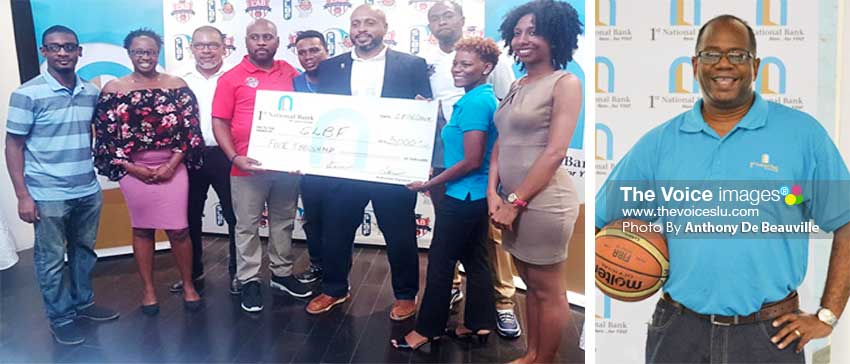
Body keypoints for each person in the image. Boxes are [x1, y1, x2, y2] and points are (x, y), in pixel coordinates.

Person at [595, 15, 850, 364]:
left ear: (756, 65)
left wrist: (827, 316)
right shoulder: (660, 143)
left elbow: (846, 220)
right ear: (695, 64)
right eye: (712, 54)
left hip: (769, 333)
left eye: (738, 55)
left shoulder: (802, 135)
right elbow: (604, 218)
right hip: (678, 331)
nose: (725, 64)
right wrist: (617, 266)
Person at [306, 4, 432, 319]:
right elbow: (323, 116)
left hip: (392, 165)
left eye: (370, 23)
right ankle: (334, 288)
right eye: (356, 23)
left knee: (399, 232)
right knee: (336, 231)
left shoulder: (412, 65)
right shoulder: (331, 67)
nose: (362, 28)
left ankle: (405, 294)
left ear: (385, 27)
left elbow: (424, 117)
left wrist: (421, 149)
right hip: (344, 166)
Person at [5, 25, 119, 345]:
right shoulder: (27, 94)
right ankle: (61, 317)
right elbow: (13, 145)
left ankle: (83, 304)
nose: (62, 53)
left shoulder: (91, 92)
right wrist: (22, 195)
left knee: (84, 253)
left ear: (79, 51)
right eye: (54, 47)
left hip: (86, 189)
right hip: (46, 194)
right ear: (44, 52)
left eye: (69, 47)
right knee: (50, 260)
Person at [391, 37, 501, 351]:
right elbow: (464, 155)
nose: (457, 69)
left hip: (463, 196)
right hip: (475, 195)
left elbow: (472, 159)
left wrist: (431, 183)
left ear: (487, 67)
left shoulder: (477, 102)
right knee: (476, 260)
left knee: (440, 262)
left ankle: (426, 330)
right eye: (456, 63)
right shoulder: (479, 97)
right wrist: (435, 174)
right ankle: (478, 325)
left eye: (466, 64)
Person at [421, 0, 521, 338]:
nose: (441, 21)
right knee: (459, 239)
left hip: (476, 168)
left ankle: (503, 302)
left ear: (463, 20)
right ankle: (459, 296)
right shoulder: (429, 62)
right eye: (434, 17)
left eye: (448, 15)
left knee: (488, 240)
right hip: (444, 156)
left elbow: (508, 112)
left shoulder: (493, 68)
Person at [489, 1, 582, 363]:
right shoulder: (518, 83)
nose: (523, 39)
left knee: (549, 291)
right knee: (530, 285)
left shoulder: (565, 82)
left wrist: (515, 202)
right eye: (517, 32)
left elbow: (555, 152)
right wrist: (492, 194)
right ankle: (531, 354)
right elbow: (500, 142)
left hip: (542, 204)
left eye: (534, 31)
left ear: (556, 36)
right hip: (511, 202)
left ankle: (545, 359)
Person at [93, 28, 204, 315]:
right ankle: (149, 290)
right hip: (133, 171)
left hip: (173, 167)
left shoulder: (177, 85)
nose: (145, 56)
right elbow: (105, 137)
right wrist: (134, 168)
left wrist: (170, 165)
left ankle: (188, 284)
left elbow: (191, 131)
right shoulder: (113, 90)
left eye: (150, 51)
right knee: (142, 229)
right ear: (128, 53)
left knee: (179, 229)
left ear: (158, 53)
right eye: (138, 51)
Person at [211, 19, 311, 313]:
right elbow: (219, 121)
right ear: (246, 41)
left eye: (268, 37)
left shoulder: (290, 73)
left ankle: (281, 274)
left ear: (278, 42)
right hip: (246, 167)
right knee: (246, 226)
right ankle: (249, 280)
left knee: (283, 221)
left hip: (285, 166)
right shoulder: (231, 78)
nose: (262, 42)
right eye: (255, 37)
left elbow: (310, 109)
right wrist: (233, 156)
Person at [169, 25, 239, 296]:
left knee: (235, 217)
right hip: (188, 155)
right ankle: (192, 274)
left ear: (224, 47)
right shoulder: (176, 78)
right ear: (192, 48)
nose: (206, 50)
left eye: (213, 45)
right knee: (188, 217)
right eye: (200, 45)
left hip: (227, 154)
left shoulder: (235, 76)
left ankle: (239, 274)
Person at [291, 30, 329, 284]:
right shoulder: (293, 84)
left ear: (326, 50)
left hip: (343, 163)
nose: (308, 56)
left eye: (314, 50)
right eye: (302, 52)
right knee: (313, 218)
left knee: (340, 220)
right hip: (308, 164)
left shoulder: (344, 79)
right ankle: (317, 264)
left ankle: (339, 272)